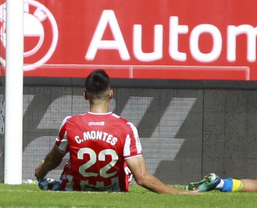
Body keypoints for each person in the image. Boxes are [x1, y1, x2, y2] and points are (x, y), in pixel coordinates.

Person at [34, 69, 180, 193]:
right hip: (114, 190)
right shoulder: (126, 128)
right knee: (125, 165)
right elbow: (142, 178)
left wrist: (41, 173)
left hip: (76, 189)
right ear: (111, 94)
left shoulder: (70, 124)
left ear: (85, 95)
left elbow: (53, 160)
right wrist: (180, 193)